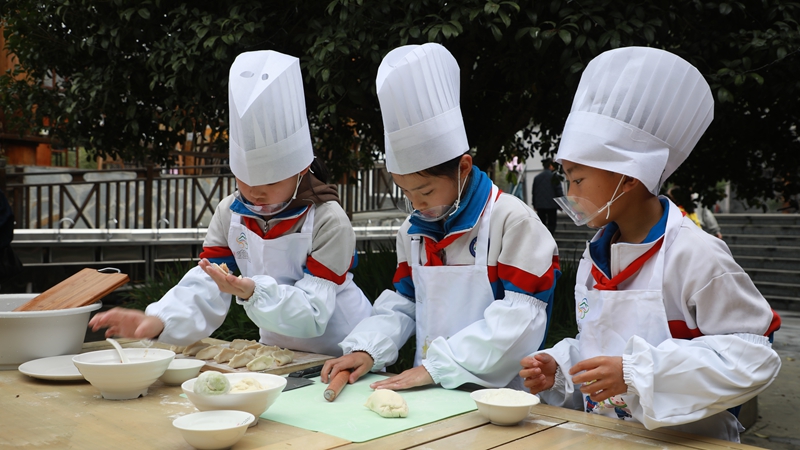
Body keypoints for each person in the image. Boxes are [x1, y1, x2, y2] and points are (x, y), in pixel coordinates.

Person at [519, 47, 781, 442]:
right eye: (567, 180)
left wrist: (637, 373)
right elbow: (601, 346)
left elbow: (752, 357)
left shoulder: (695, 254)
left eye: (578, 179)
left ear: (630, 177)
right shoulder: (597, 256)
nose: (571, 194)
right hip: (606, 436)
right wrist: (561, 366)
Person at [89, 50, 372, 356]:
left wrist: (254, 292)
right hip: (279, 350)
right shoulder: (230, 213)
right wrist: (160, 319)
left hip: (345, 348)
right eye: (244, 179)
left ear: (301, 170)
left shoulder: (328, 219)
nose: (254, 192)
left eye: (271, 182)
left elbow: (314, 312)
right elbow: (208, 281)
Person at [321, 43, 560, 392]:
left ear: (463, 168)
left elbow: (521, 319)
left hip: (497, 400)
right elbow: (404, 303)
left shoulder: (511, 220)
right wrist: (367, 348)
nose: (417, 204)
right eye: (406, 193)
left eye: (426, 191)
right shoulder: (413, 231)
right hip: (428, 389)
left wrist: (442, 366)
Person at [531, 159, 563, 234]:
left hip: (540, 205)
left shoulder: (537, 178)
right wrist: (561, 204)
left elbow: (534, 192)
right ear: (550, 166)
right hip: (552, 205)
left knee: (542, 223)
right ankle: (551, 236)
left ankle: (543, 237)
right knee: (552, 223)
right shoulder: (555, 177)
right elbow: (558, 191)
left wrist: (534, 204)